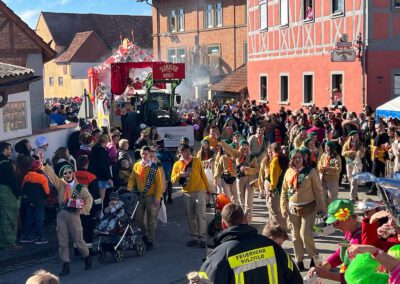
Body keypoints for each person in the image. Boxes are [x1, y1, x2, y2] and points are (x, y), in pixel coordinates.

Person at [199, 203, 302, 283]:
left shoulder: (219, 256)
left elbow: (203, 281)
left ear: (224, 225)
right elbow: (295, 279)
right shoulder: (273, 247)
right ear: (246, 220)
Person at [41, 156, 93, 276]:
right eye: (65, 173)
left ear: (72, 173)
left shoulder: (80, 187)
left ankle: (87, 257)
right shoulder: (60, 184)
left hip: (74, 215)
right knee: (62, 242)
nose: (68, 174)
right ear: (62, 175)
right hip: (61, 215)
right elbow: (52, 175)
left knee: (78, 240)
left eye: (69, 172)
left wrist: (83, 209)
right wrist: (44, 163)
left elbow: (88, 198)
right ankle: (65, 265)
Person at [280, 149, 326, 271]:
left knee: (305, 234)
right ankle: (298, 260)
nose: (298, 159)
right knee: (295, 235)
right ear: (292, 160)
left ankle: (315, 258)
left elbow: (318, 191)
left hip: (308, 208)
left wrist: (323, 209)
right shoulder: (288, 172)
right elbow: (284, 191)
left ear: (303, 158)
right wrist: (283, 207)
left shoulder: (310, 172)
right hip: (292, 209)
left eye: (299, 157)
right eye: (295, 158)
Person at [308, 199, 362, 283]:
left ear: (349, 218)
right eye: (332, 223)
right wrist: (323, 267)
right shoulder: (350, 231)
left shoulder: (359, 240)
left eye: (336, 222)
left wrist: (327, 275)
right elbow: (341, 254)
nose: (335, 226)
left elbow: (356, 276)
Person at [171, 144, 210, 248]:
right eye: (185, 151)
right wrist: (179, 175)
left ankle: (202, 237)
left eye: (188, 151)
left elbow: (203, 175)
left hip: (199, 190)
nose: (187, 153)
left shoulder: (196, 161)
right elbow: (173, 180)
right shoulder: (177, 165)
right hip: (187, 192)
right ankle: (194, 236)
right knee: (190, 215)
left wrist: (208, 189)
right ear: (180, 153)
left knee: (200, 214)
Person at [127, 146, 163, 250]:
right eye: (142, 153)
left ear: (149, 154)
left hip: (151, 197)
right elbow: (132, 179)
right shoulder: (137, 165)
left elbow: (159, 184)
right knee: (138, 218)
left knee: (151, 219)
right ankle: (145, 234)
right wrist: (129, 189)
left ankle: (150, 239)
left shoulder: (154, 167)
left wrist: (157, 197)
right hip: (140, 196)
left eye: (145, 154)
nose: (143, 156)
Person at [20, 159, 50, 244]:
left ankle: (25, 236)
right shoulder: (42, 178)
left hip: (29, 200)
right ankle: (39, 237)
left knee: (29, 218)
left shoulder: (26, 176)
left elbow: (23, 189)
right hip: (39, 201)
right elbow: (47, 192)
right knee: (39, 219)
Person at [0, 142, 21, 250]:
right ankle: (9, 243)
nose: (11, 151)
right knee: (9, 217)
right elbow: (12, 181)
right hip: (7, 193)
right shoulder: (6, 164)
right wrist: (18, 193)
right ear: (5, 150)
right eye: (10, 149)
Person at [265, 143, 288, 229]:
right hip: (282, 187)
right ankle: (273, 228)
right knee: (277, 209)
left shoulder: (275, 160)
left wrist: (271, 190)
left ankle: (282, 229)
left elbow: (274, 177)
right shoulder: (283, 158)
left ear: (271, 150)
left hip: (276, 188)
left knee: (274, 210)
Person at [342, 130, 365, 202]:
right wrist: (351, 152)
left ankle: (352, 198)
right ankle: (355, 194)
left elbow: (362, 155)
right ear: (351, 137)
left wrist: (361, 153)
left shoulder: (360, 144)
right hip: (349, 163)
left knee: (353, 180)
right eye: (354, 135)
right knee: (350, 179)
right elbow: (343, 153)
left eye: (356, 135)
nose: (355, 137)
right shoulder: (347, 144)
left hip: (356, 164)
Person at [318, 141, 342, 208]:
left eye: (328, 147)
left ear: (332, 148)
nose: (326, 149)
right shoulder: (324, 155)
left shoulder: (336, 157)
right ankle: (326, 213)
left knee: (332, 197)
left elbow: (338, 169)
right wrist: (321, 168)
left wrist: (328, 168)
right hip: (323, 180)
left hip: (332, 181)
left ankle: (332, 213)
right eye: (325, 147)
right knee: (324, 198)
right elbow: (319, 164)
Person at [89, 134, 112, 202]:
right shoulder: (103, 152)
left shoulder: (93, 149)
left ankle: (95, 209)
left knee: (95, 195)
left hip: (93, 176)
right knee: (101, 197)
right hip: (102, 177)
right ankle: (99, 210)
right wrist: (108, 178)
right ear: (106, 141)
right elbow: (104, 166)